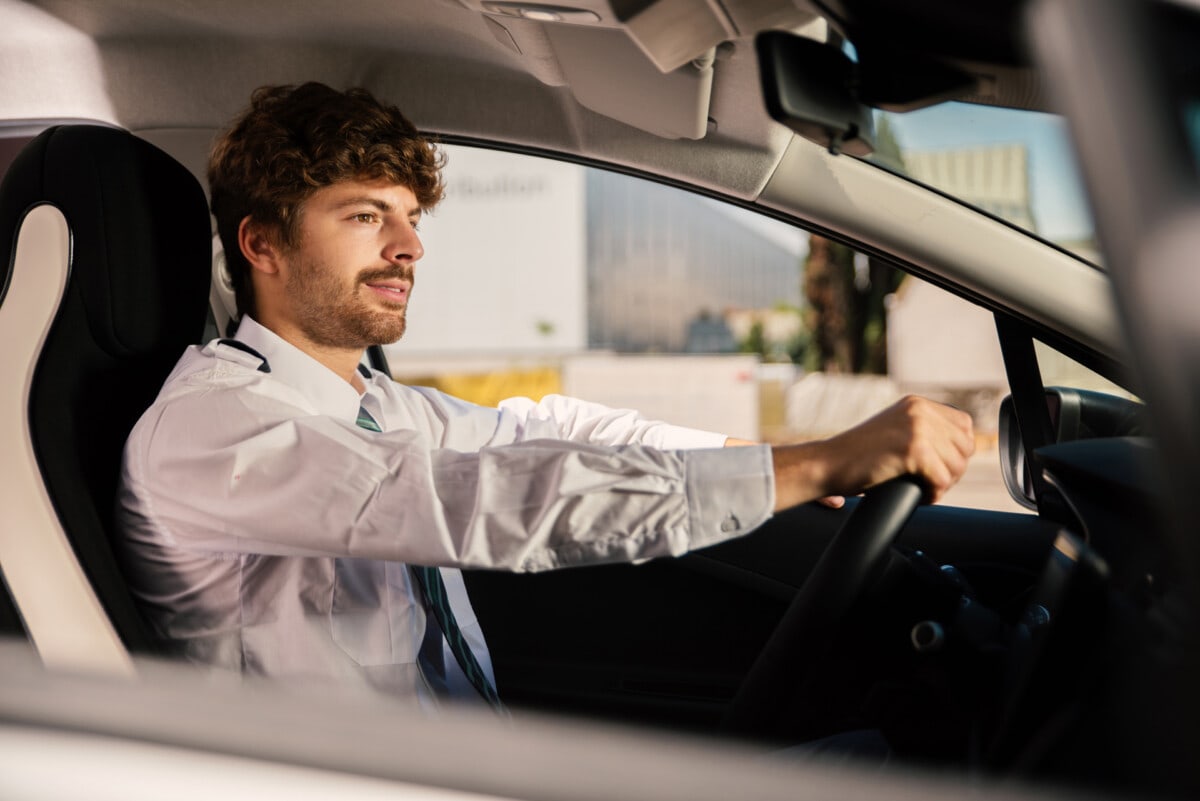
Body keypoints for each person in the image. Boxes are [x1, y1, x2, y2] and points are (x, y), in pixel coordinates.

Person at [116, 82, 974, 713]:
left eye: (411, 216)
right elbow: (481, 503)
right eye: (367, 216)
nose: (411, 245)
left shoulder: (376, 405)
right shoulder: (213, 424)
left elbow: (544, 429)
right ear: (262, 242)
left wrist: (738, 461)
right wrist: (816, 458)